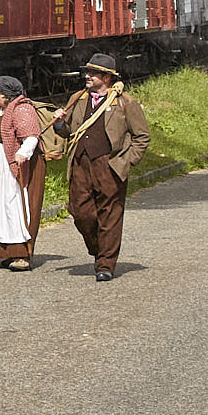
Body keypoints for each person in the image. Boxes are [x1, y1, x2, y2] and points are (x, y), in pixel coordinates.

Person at [57, 52, 152, 281]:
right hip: (81, 163)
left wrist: (125, 162)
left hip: (110, 164)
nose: (87, 76)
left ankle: (105, 265)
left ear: (106, 77)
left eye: (92, 73)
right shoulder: (78, 99)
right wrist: (60, 123)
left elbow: (142, 136)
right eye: (87, 72)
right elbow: (69, 131)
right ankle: (99, 248)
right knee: (80, 212)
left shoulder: (124, 102)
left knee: (110, 215)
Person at [0, 74, 45, 269]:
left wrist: (22, 154)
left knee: (13, 205)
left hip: (12, 164)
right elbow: (5, 131)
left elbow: (31, 137)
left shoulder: (22, 109)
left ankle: (20, 253)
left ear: (5, 95)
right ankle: (5, 250)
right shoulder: (3, 109)